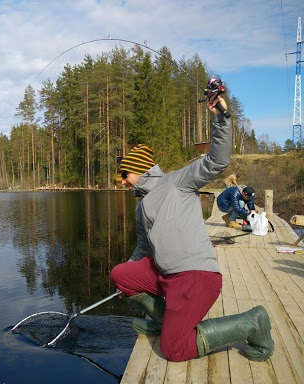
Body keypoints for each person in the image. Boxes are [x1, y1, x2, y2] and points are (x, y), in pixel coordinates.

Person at [110, 76, 273, 362]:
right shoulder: (142, 206)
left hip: (194, 277)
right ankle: (168, 322)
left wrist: (221, 118)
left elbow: (217, 162)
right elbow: (143, 251)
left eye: (124, 175)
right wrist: (129, 283)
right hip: (165, 274)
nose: (121, 181)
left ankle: (252, 322)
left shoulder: (177, 182)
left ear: (137, 169)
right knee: (121, 273)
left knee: (173, 350)